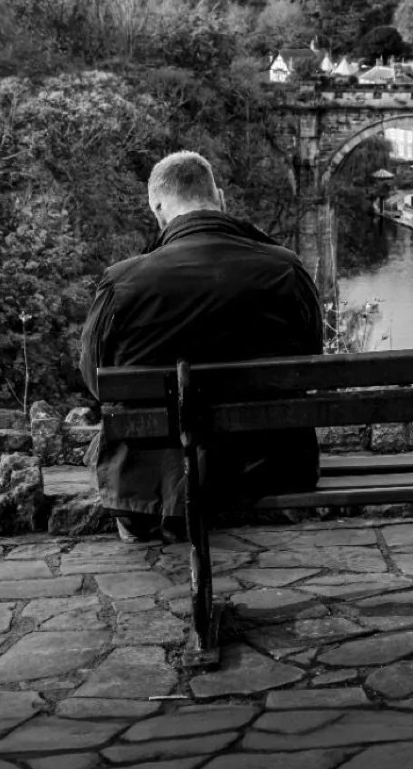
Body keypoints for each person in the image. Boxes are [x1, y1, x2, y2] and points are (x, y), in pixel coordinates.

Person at [78, 150, 323, 539]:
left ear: (156, 208)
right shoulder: (286, 269)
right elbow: (311, 363)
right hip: (272, 469)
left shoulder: (122, 282)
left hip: (151, 483)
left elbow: (95, 380)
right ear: (220, 199)